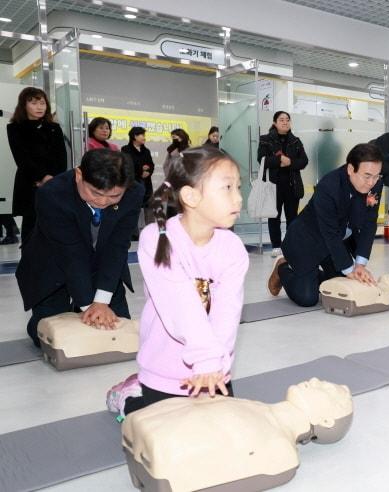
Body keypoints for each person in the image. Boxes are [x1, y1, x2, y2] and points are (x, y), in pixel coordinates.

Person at [106, 146, 249, 418]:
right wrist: (205, 358)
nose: (239, 199)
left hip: (212, 369)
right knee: (170, 440)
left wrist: (213, 364)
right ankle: (127, 397)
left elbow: (227, 312)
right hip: (164, 370)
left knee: (221, 438)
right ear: (190, 196)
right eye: (227, 188)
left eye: (238, 187)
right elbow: (179, 303)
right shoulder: (156, 238)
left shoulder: (232, 248)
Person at [15, 148, 144, 346]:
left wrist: (101, 300)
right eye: (95, 193)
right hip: (54, 265)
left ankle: (84, 307)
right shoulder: (53, 194)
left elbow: (117, 246)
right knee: (51, 338)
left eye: (114, 196)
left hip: (101, 265)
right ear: (79, 175)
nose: (102, 202)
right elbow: (70, 254)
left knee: (117, 334)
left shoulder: (134, 193)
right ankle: (70, 309)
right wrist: (89, 306)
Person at [267, 143, 383, 307]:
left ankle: (315, 275)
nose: (372, 182)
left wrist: (359, 265)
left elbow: (369, 224)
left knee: (344, 287)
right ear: (351, 169)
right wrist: (349, 269)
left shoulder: (375, 184)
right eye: (367, 176)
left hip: (336, 242)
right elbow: (330, 233)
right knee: (308, 297)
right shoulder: (328, 186)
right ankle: (282, 267)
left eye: (377, 176)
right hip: (307, 240)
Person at [6, 87, 67, 245]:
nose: (39, 107)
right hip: (30, 182)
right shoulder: (15, 128)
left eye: (42, 103)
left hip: (54, 183)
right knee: (31, 225)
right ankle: (29, 264)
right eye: (33, 103)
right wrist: (42, 177)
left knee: (53, 224)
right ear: (23, 105)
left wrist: (53, 179)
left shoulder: (54, 127)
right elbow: (21, 157)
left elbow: (61, 158)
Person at [258, 111, 309, 258]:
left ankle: (290, 245)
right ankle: (276, 246)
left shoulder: (296, 141)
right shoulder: (265, 140)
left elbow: (304, 161)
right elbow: (261, 159)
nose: (285, 122)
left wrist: (291, 162)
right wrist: (280, 160)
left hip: (292, 185)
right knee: (274, 216)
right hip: (273, 185)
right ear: (275, 123)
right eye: (281, 120)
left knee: (292, 217)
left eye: (287, 120)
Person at [121, 126, 155, 226]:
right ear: (135, 136)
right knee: (133, 208)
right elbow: (127, 165)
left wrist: (148, 172)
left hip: (147, 182)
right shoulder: (125, 149)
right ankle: (133, 233)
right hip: (133, 183)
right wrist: (141, 170)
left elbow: (151, 165)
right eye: (142, 135)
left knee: (150, 207)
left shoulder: (146, 150)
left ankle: (151, 229)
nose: (144, 137)